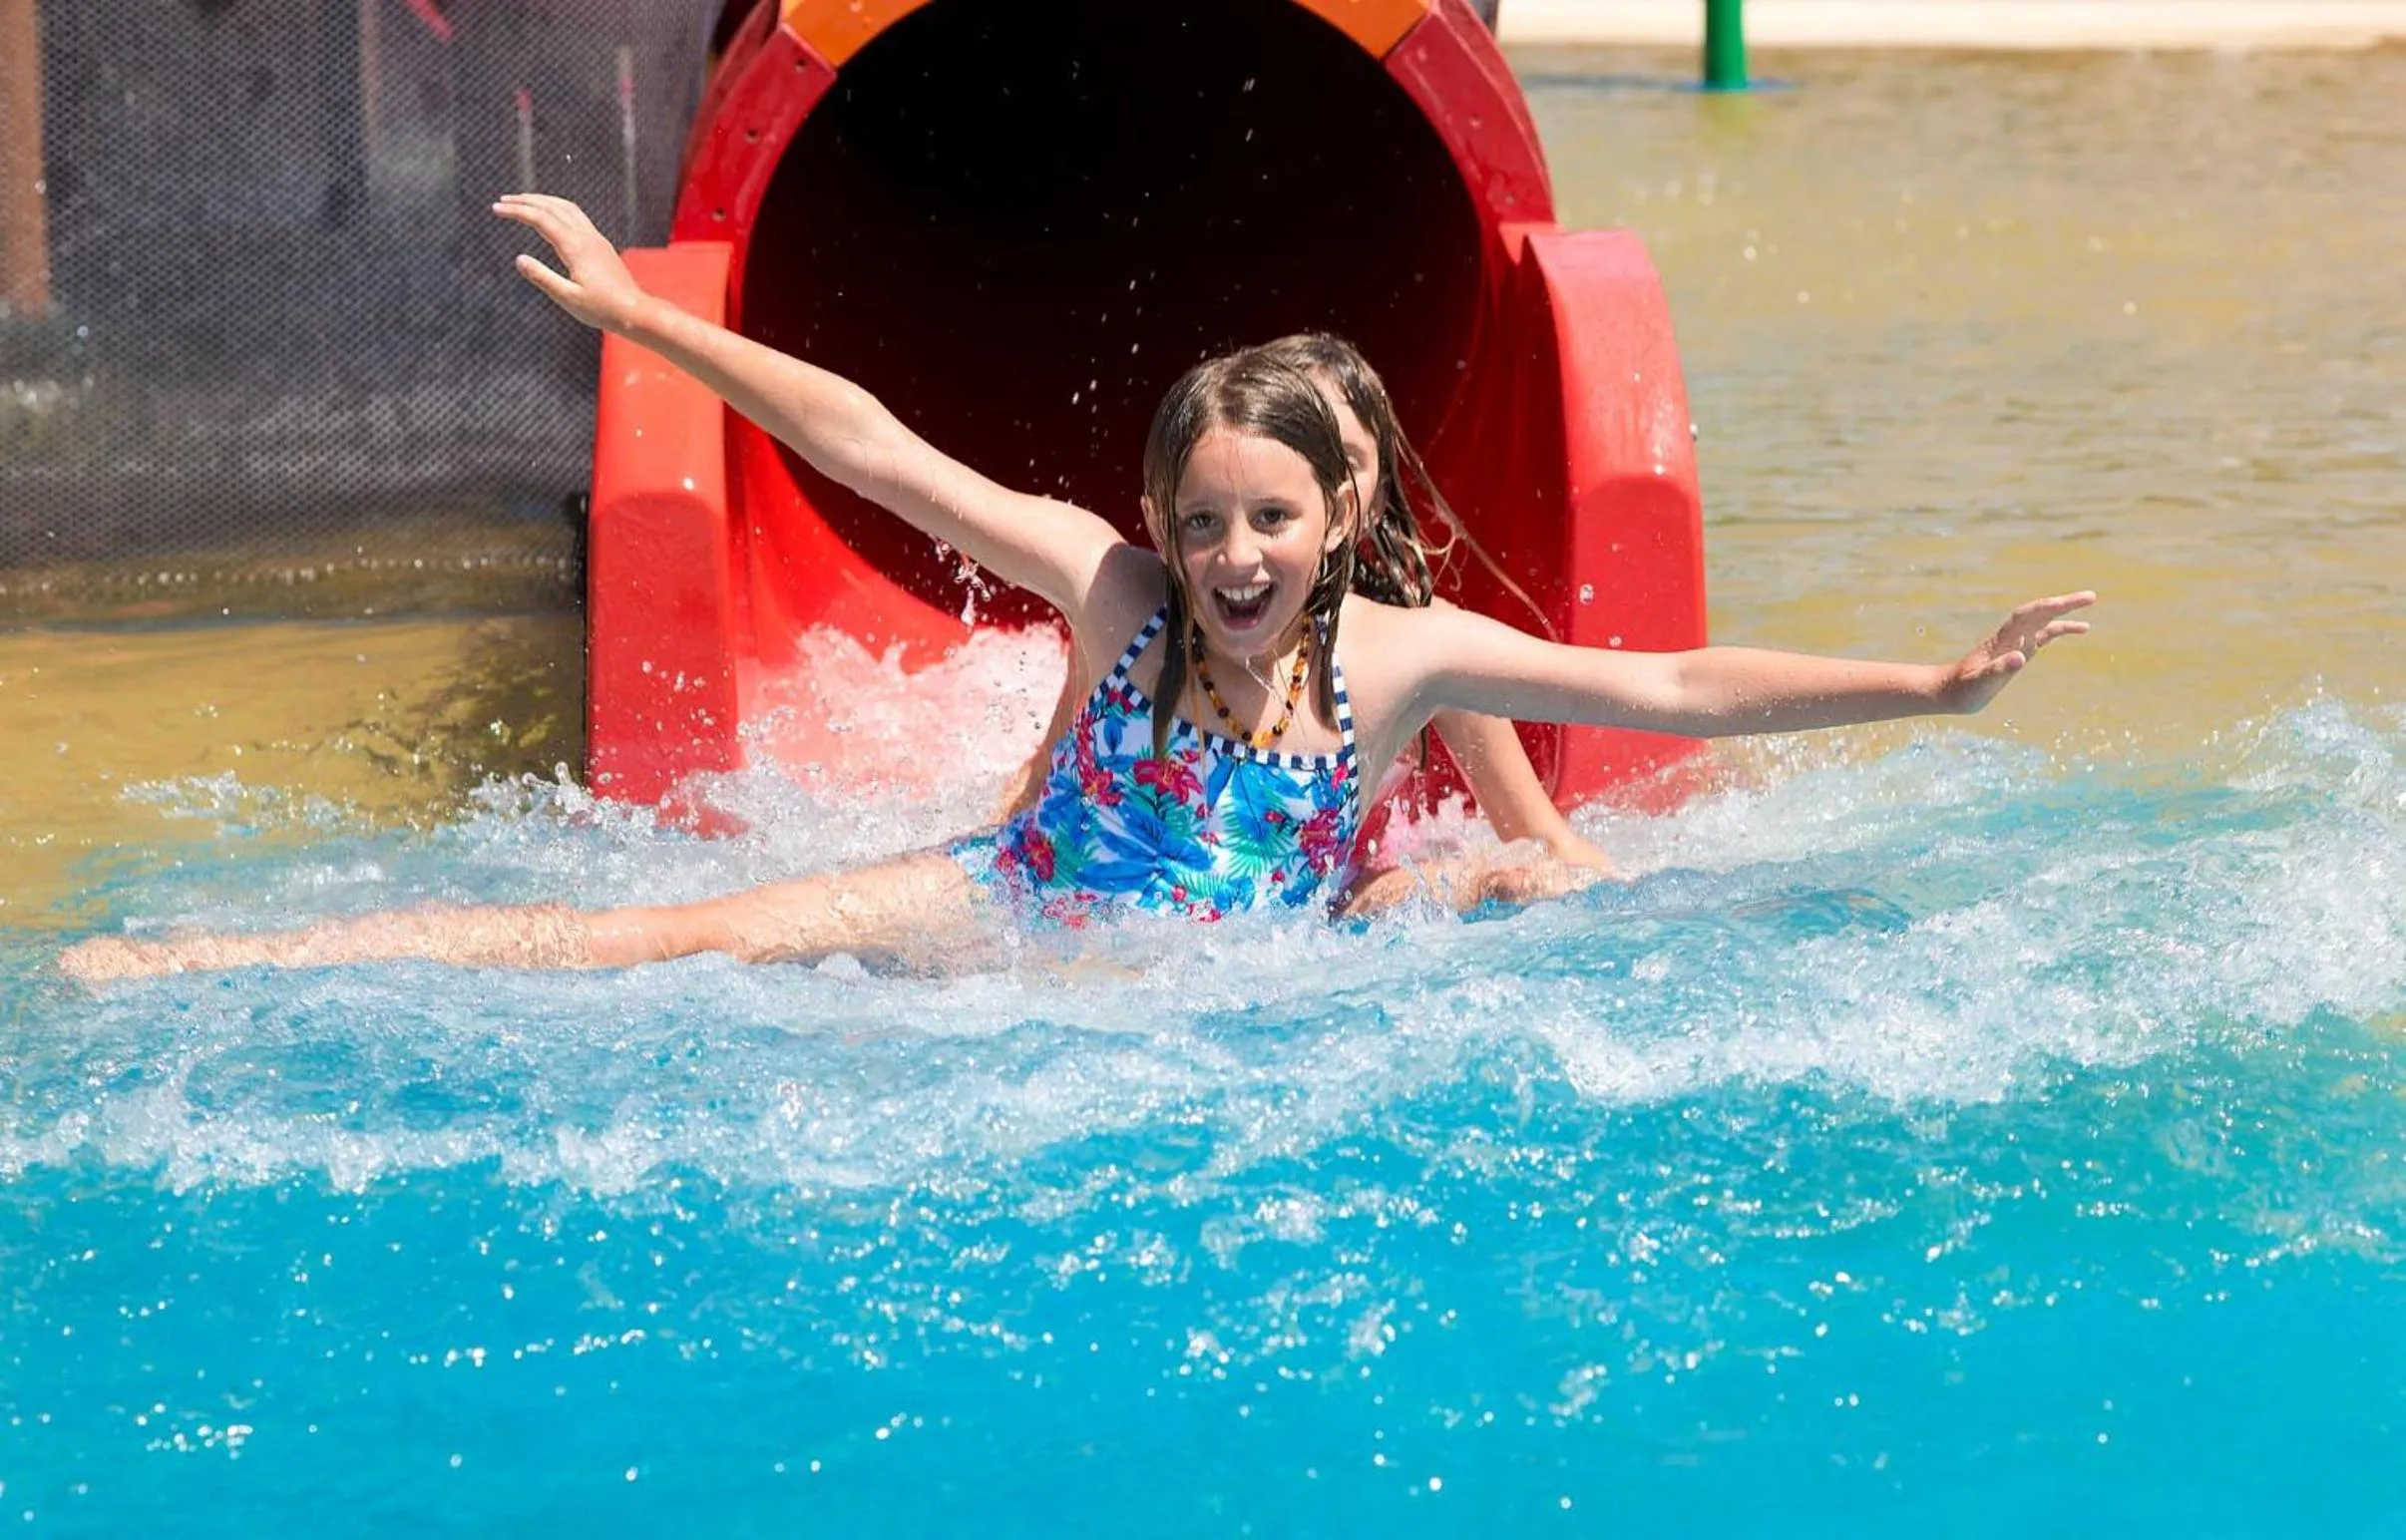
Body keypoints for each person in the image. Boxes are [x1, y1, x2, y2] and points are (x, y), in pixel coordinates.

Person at [58, 195, 2094, 981]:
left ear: (1338, 510)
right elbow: (877, 446)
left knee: (1483, 877)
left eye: (1267, 524)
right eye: (1201, 521)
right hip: (1011, 895)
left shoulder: (1409, 656)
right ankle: (241, 960)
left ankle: (1471, 870)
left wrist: (1933, 686)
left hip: (1244, 974)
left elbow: (1676, 682)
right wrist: (643, 323)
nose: (1227, 560)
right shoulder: (1116, 593)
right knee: (642, 940)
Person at [1001, 331, 1616, 919]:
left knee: (1480, 884)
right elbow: (1048, 784)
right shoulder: (1155, 626)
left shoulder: (1420, 648)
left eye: (1345, 459)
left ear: (1360, 502)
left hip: (1345, 892)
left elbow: (1538, 838)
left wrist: (1634, 893)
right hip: (1198, 888)